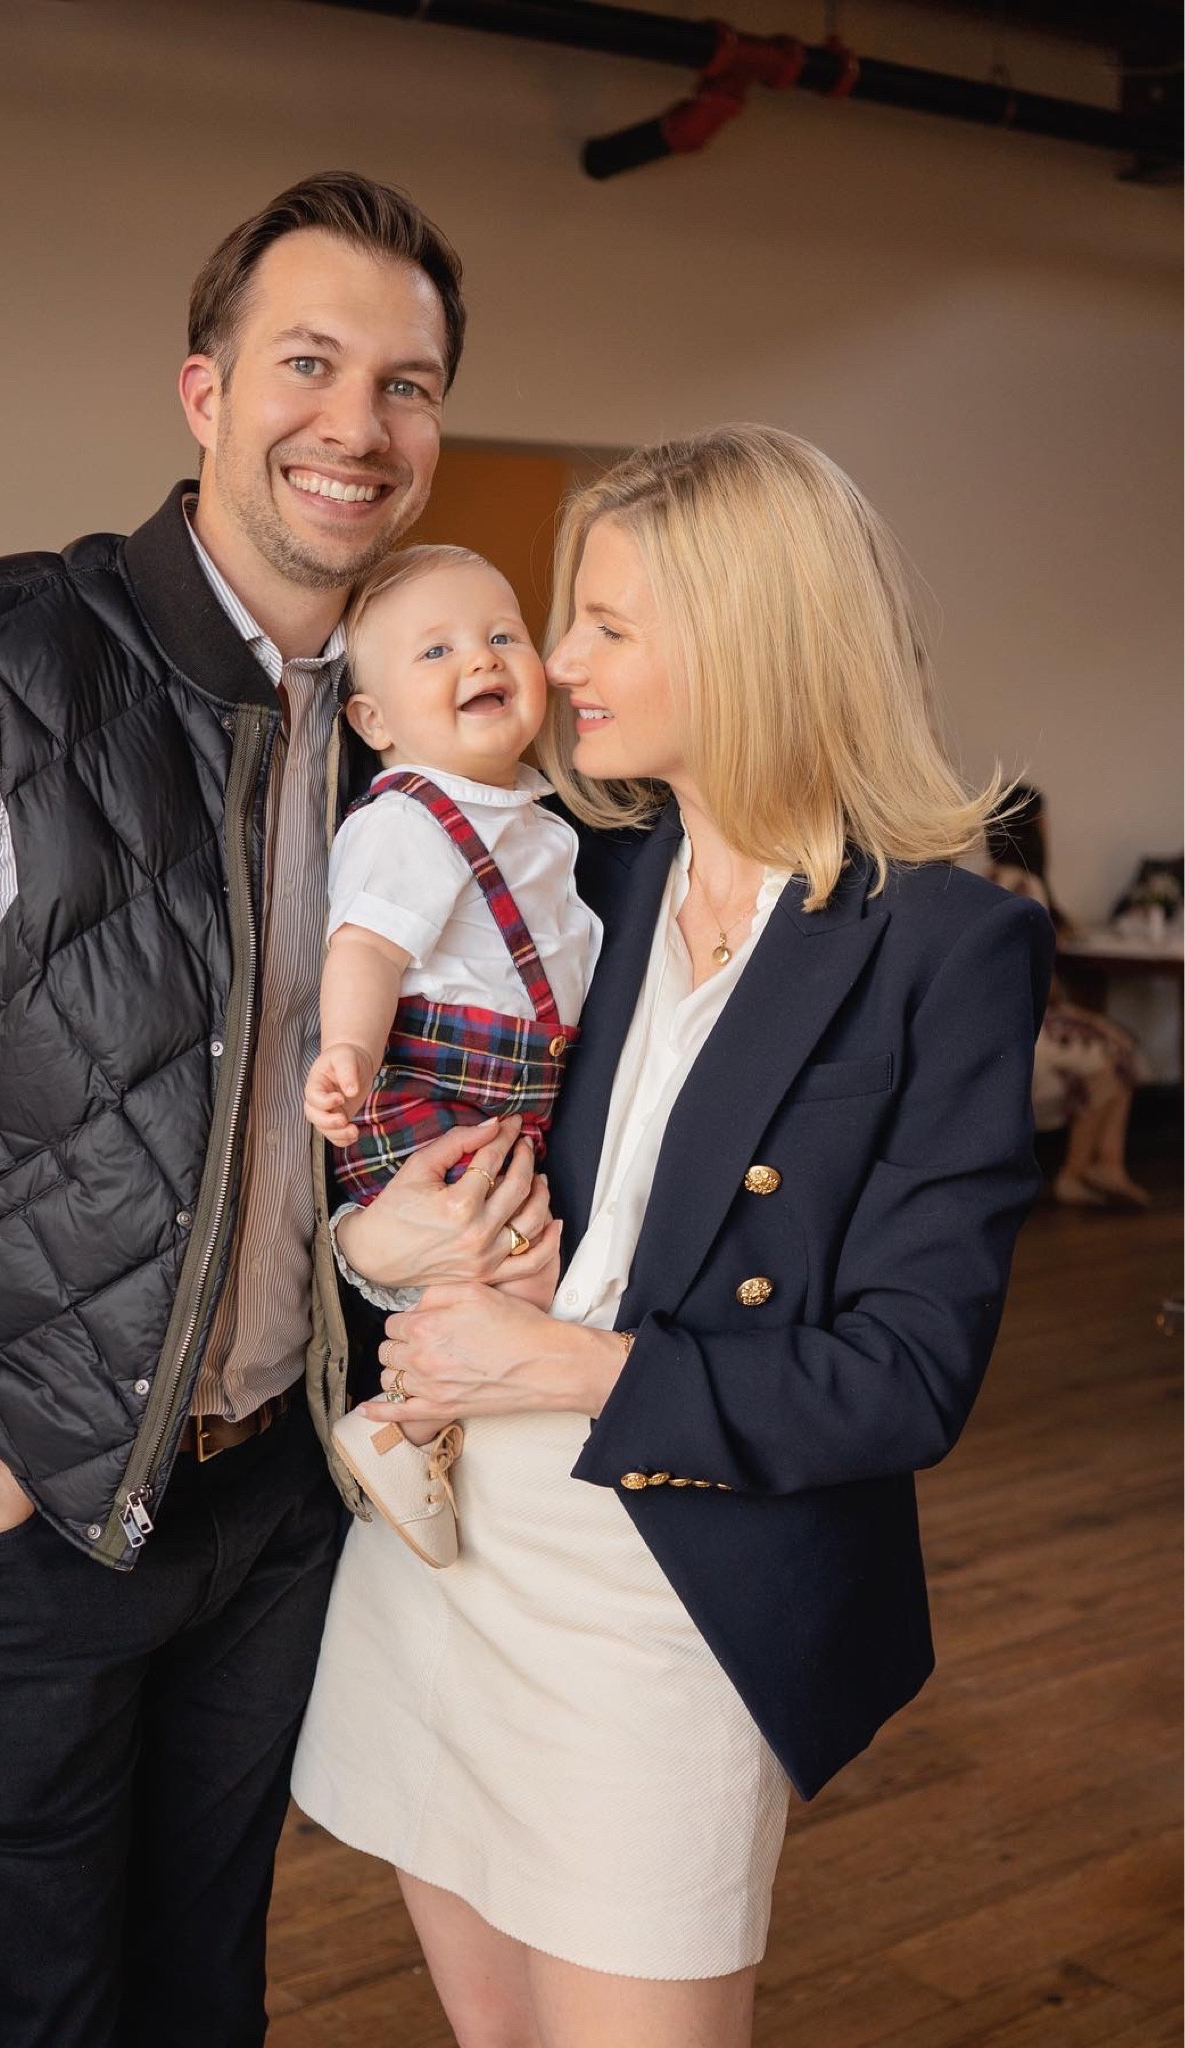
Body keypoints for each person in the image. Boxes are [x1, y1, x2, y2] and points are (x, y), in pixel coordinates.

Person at [0, 173, 546, 2048]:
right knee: (21, 2015)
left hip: (274, 1504)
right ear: (202, 393)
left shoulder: (397, 731)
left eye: (408, 381)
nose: (357, 424)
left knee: (203, 1986)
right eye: (307, 363)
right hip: (12, 1508)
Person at [292, 425, 1054, 2048]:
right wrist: (386, 1251)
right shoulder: (596, 878)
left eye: (605, 625)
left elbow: (903, 1377)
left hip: (662, 1595)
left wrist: (558, 1357)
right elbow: (419, 1193)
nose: (553, 662)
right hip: (444, 1552)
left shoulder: (942, 941)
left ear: (753, 641)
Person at [303, 544, 602, 1562]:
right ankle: (401, 1424)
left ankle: (434, 1419)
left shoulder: (536, 821)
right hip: (430, 1087)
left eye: (501, 634)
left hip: (508, 1087)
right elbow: (366, 948)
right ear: (374, 721)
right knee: (515, 1262)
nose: (478, 656)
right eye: (434, 649)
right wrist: (345, 1047)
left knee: (519, 1262)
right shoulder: (405, 817)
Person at [985, 783, 1150, 1209]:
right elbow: (1039, 981)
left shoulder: (988, 879)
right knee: (1118, 1051)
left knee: (1118, 1043)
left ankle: (1104, 1167)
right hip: (1024, 1028)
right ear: (1035, 826)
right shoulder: (1026, 885)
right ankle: (1080, 1172)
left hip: (996, 1023)